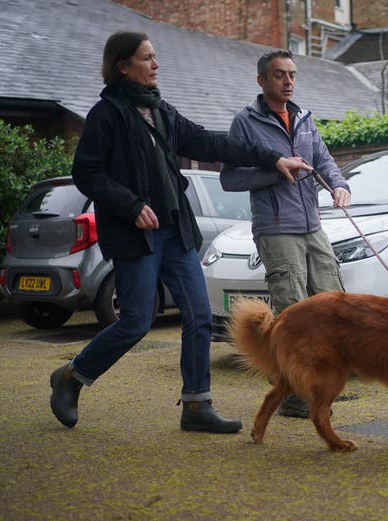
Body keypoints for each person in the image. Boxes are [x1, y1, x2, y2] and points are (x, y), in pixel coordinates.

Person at [49, 31, 311, 433]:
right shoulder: (108, 114)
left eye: (155, 57)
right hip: (139, 236)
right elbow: (87, 173)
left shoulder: (160, 110)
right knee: (135, 322)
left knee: (199, 315)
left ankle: (196, 405)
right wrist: (131, 205)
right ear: (123, 65)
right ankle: (71, 377)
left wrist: (275, 158)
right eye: (147, 58)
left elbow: (211, 142)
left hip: (176, 230)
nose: (156, 64)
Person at [220, 49, 351, 419]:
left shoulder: (305, 118)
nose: (289, 81)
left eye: (292, 74)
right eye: (280, 75)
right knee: (295, 315)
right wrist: (278, 171)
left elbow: (324, 161)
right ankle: (293, 394)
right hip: (276, 230)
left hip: (313, 225)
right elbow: (230, 178)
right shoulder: (245, 123)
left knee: (332, 305)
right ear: (262, 80)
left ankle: (320, 384)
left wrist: (340, 186)